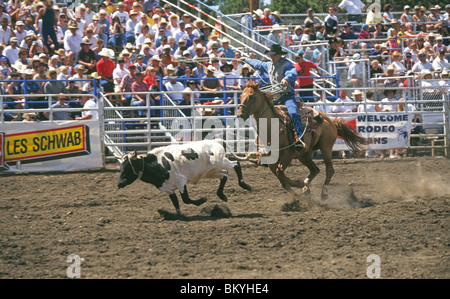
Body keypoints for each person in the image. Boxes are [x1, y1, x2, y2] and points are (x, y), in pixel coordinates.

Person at [244, 43, 304, 149]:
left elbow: (292, 72)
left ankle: (299, 138)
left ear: (279, 55)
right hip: (274, 96)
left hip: (286, 96)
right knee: (261, 111)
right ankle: (262, 142)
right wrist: (246, 59)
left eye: (274, 54)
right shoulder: (269, 65)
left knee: (293, 112)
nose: (272, 57)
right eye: (271, 55)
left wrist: (287, 78)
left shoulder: (287, 64)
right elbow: (258, 64)